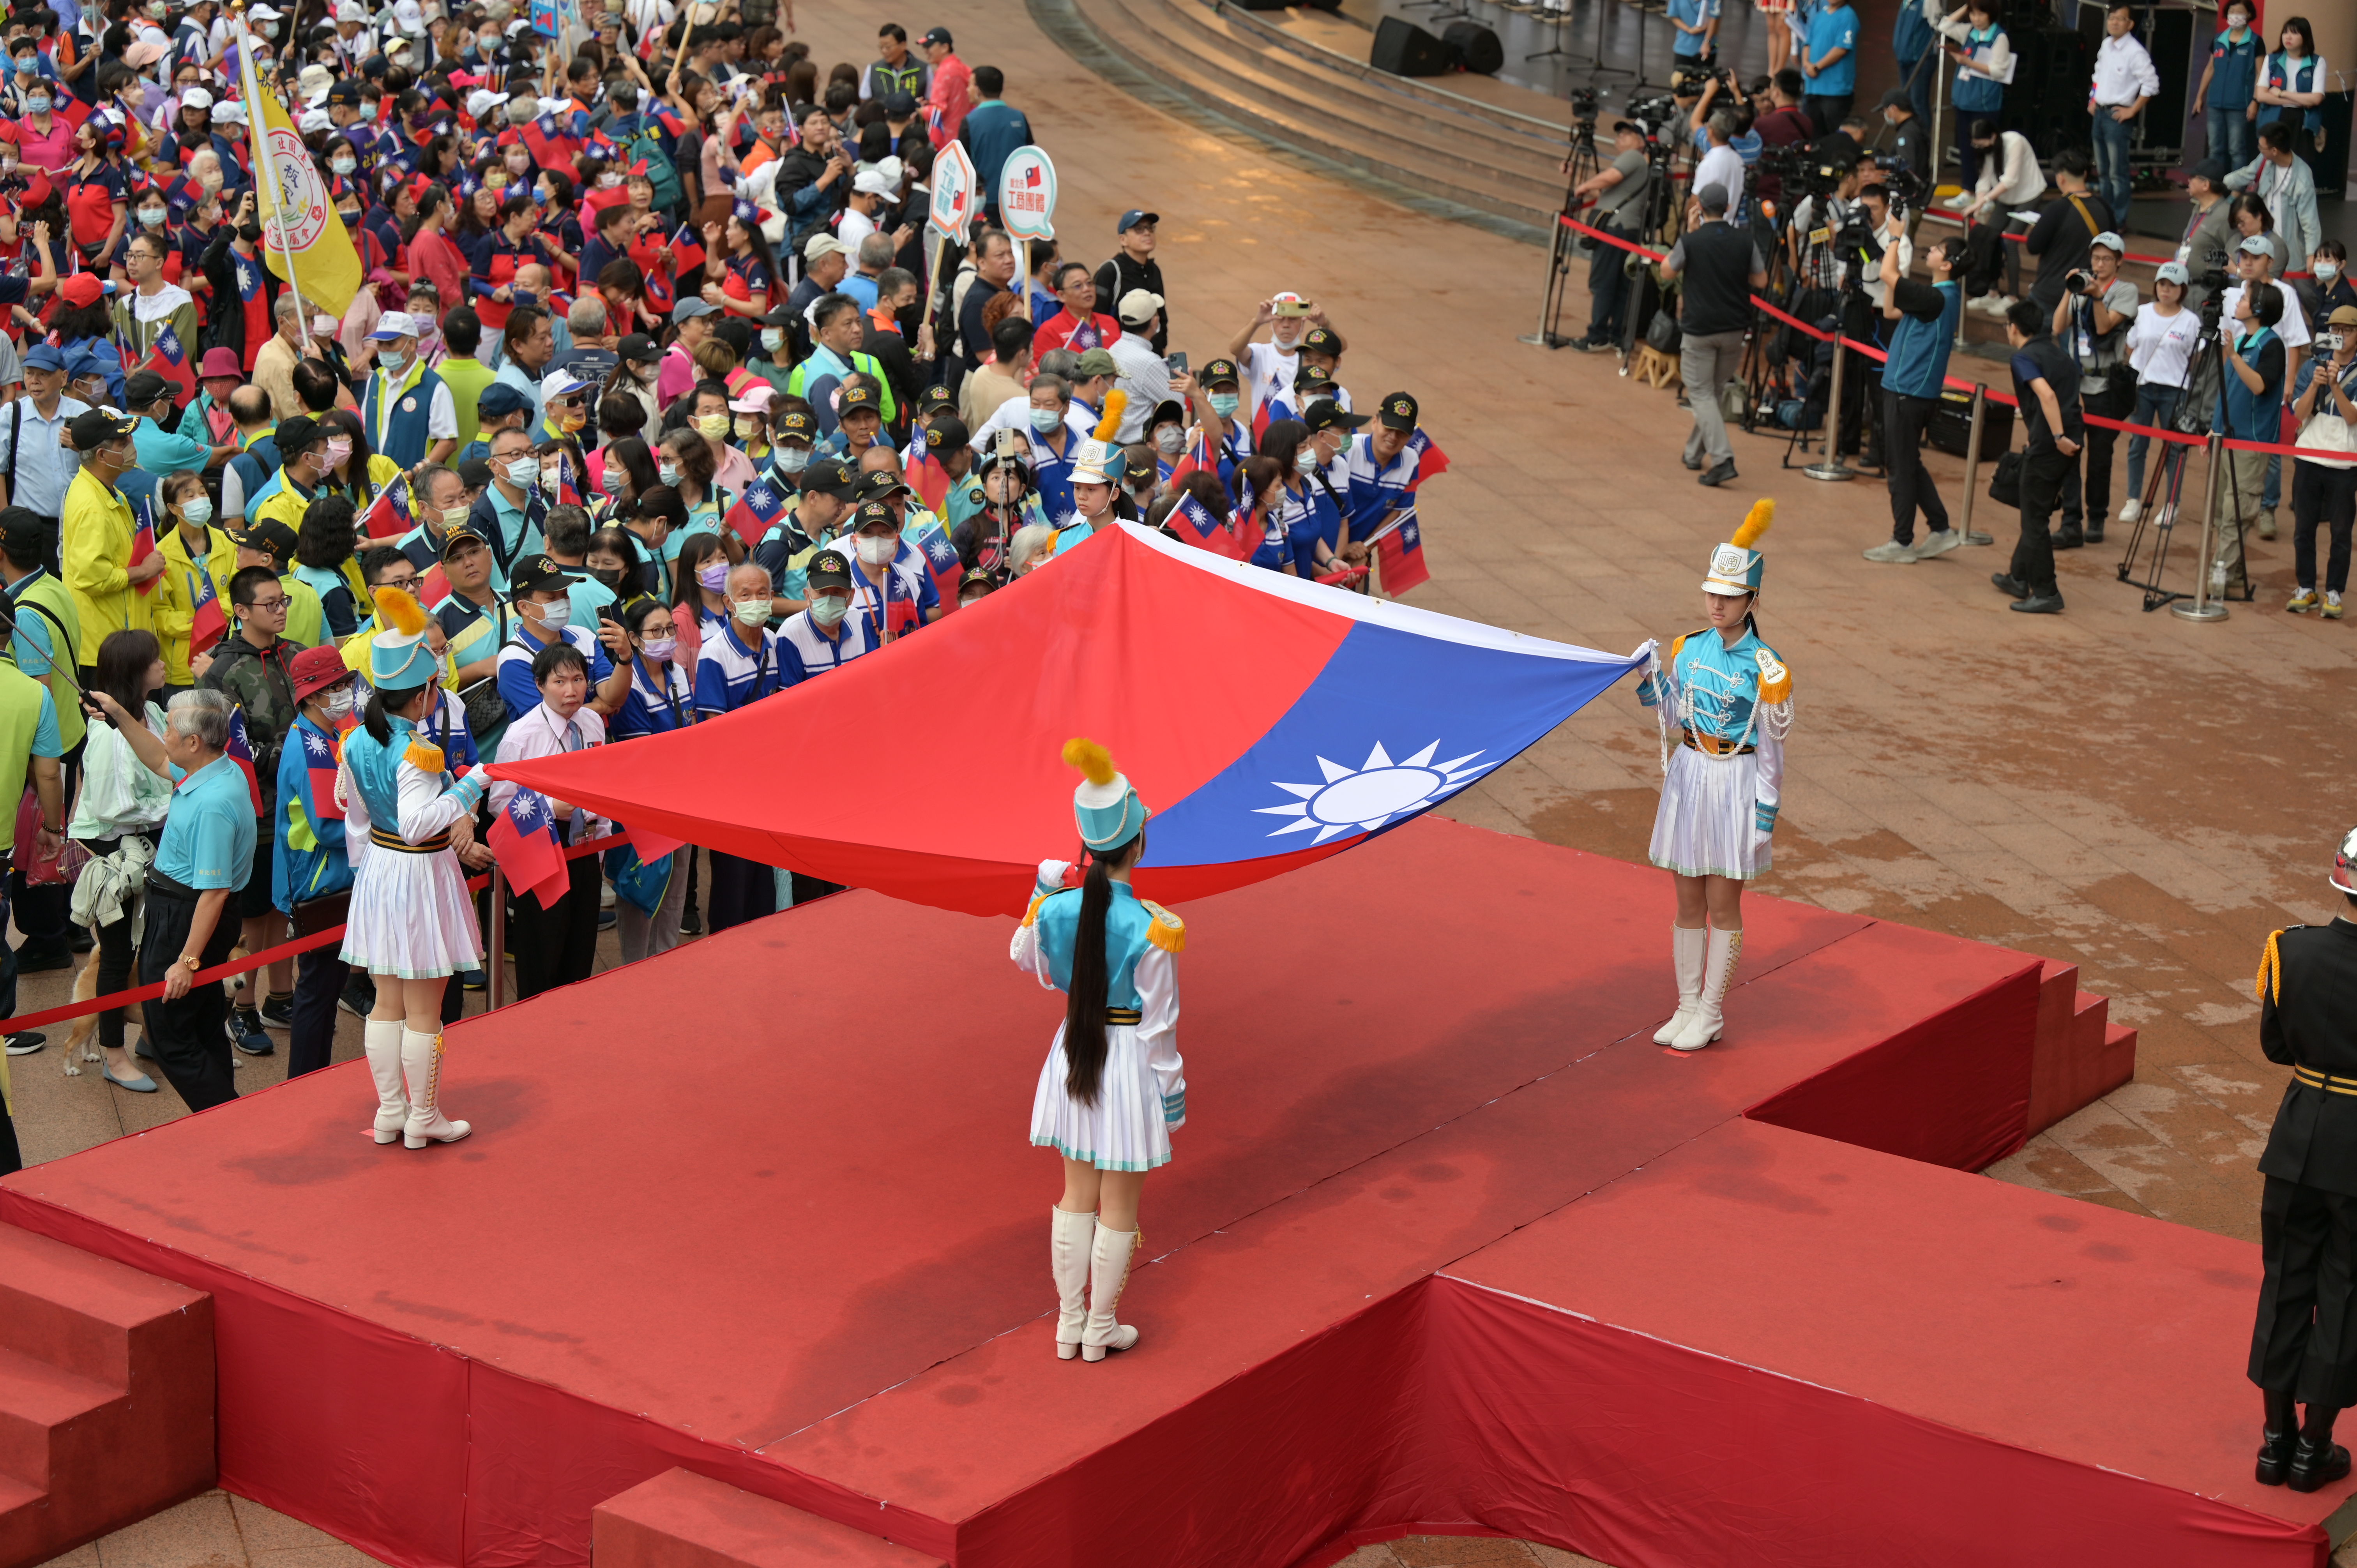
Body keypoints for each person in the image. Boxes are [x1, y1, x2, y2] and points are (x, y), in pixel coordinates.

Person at [1011, 738, 1186, 1361]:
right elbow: (1160, 1028)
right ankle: (1100, 1327)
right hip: (1129, 1061)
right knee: (1118, 1204)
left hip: (1074, 1052)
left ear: (1086, 847)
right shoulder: (1154, 927)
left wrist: (1040, 888)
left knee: (1075, 1193)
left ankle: (1069, 1325)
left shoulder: (1056, 909)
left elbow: (1021, 955)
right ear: (1138, 844)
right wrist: (1172, 1099)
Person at [1633, 503, 1791, 1052]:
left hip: (1734, 782)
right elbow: (1675, 717)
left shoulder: (1768, 668)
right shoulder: (1689, 647)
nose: (1717, 604)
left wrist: (1765, 816)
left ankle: (1711, 1011)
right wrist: (1649, 679)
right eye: (1712, 594)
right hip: (1690, 773)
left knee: (1723, 904)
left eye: (1729, 596)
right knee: (1686, 902)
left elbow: (1772, 753)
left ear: (1752, 600)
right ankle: (1684, 1007)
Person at [338, 586, 492, 1148]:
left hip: (381, 869)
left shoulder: (355, 740)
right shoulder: (416, 752)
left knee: (387, 1001)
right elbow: (417, 823)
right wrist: (473, 785)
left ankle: (391, 1114)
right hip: (418, 871)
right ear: (425, 691)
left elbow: (351, 811)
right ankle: (422, 1118)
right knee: (424, 1006)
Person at [2247, 828, 2357, 1494]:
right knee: (2344, 1291)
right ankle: (2312, 1450)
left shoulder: (2289, 948)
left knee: (2284, 1276)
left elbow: (2273, 1046)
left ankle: (2272, 1442)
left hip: (2296, 1135)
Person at [102, 689, 247, 1112]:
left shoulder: (213, 804)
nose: (161, 733)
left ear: (194, 743)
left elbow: (215, 891)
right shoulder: (215, 768)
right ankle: (231, 1117)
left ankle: (230, 1121)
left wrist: (186, 961)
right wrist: (116, 713)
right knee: (203, 1027)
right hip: (186, 911)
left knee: (170, 1038)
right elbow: (157, 758)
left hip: (185, 919)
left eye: (168, 727)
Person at [199, 562, 302, 1050]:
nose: (281, 610)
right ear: (241, 611)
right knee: (252, 916)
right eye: (270, 604)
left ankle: (282, 996)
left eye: (284, 601)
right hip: (256, 809)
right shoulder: (223, 672)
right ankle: (243, 1008)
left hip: (301, 807)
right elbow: (228, 747)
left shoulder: (297, 655)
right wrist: (290, 754)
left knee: (284, 907)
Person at [64, 627, 167, 1091]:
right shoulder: (107, 732)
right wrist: (181, 798)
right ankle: (112, 1053)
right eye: (155, 660)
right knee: (116, 952)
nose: (165, 666)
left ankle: (150, 1034)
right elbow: (109, 803)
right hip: (114, 852)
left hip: (150, 845)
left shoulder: (155, 713)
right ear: (134, 669)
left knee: (153, 946)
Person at [491, 641, 608, 998]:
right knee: (543, 952)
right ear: (540, 685)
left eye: (578, 679)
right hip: (541, 845)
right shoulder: (522, 736)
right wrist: (547, 808)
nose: (571, 691)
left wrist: (601, 844)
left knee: (581, 950)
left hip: (585, 845)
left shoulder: (592, 723)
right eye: (559, 682)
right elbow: (499, 803)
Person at [271, 644, 358, 1079]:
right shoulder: (314, 747)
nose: (343, 693)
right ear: (309, 697)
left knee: (322, 990)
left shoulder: (324, 736)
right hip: (321, 881)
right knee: (318, 990)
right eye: (333, 687)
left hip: (326, 877)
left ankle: (311, 1079)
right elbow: (327, 827)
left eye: (345, 683)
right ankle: (304, 1083)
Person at [694, 560, 785, 932]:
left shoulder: (776, 644)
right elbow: (714, 730)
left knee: (764, 880)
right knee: (733, 880)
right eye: (744, 595)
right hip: (732, 787)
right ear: (729, 603)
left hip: (770, 783)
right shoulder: (714, 654)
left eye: (761, 593)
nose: (755, 601)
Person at [1866, 235, 1964, 563]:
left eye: (1937, 250)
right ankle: (1940, 530)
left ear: (1947, 264)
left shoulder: (1938, 297)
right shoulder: (1934, 296)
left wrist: (1895, 235)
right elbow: (1892, 308)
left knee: (1899, 466)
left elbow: (1886, 275)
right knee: (1908, 462)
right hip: (1907, 388)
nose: (1930, 251)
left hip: (1910, 391)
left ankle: (1903, 542)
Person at [1658, 184, 1763, 491]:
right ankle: (1694, 453)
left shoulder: (1692, 242)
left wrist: (1689, 235)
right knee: (1714, 392)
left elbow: (1666, 272)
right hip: (1734, 328)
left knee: (1701, 394)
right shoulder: (1745, 241)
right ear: (1729, 207)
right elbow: (1761, 279)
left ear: (1700, 207)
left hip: (1700, 328)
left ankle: (1723, 459)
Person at [1992, 300, 2081, 616]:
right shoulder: (2060, 353)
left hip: (2051, 446)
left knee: (2034, 521)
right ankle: (2018, 576)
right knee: (2036, 511)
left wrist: (2056, 437)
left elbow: (2046, 394)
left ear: (2014, 328)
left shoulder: (2023, 358)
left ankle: (2046, 591)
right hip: (2071, 442)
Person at [63, 408, 164, 677]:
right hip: (106, 649)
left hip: (118, 641)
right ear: (102, 455)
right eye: (124, 444)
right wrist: (144, 571)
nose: (132, 447)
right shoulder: (92, 506)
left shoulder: (109, 491)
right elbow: (92, 577)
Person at [2055, 233, 2139, 547]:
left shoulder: (2126, 291)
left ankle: (2098, 516)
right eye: (2096, 258)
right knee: (2071, 450)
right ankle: (2071, 516)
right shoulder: (2081, 286)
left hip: (2104, 385)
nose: (2099, 265)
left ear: (2119, 261)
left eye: (2106, 259)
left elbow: (2104, 327)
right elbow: (2057, 327)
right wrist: (2070, 291)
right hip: (2076, 382)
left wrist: (2097, 297)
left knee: (2101, 456)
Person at [2211, 283, 2287, 600]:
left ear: (2257, 309)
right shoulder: (2241, 340)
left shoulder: (2272, 346)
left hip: (2251, 443)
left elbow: (2258, 386)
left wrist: (2232, 356)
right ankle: (2234, 577)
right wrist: (2214, 430)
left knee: (2236, 513)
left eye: (2244, 298)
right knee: (2220, 512)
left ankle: (2218, 581)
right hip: (2226, 439)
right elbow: (2227, 392)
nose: (2239, 302)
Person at [2285, 305, 2357, 620]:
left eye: (2348, 330)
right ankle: (2306, 587)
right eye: (2336, 330)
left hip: (2345, 461)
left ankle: (2334, 592)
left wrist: (2336, 385)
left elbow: (2352, 416)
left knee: (2341, 532)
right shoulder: (2311, 367)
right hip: (2309, 455)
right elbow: (2299, 415)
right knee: (2304, 527)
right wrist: (2316, 383)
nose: (2340, 335)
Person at [2121, 263, 2202, 526]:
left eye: (2173, 285)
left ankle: (2171, 504)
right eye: (2163, 284)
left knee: (2175, 449)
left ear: (2183, 289)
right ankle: (2134, 500)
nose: (2167, 290)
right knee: (2138, 445)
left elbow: (2195, 356)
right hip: (2143, 387)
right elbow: (2131, 347)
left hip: (2175, 390)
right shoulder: (2143, 312)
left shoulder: (2191, 321)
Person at [0, 343, 91, 524]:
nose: (34, 381)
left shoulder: (83, 414)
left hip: (78, 522)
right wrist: (5, 521)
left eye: (44, 374)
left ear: (64, 377)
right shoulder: (11, 415)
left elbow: (104, 462)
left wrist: (82, 448)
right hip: (27, 526)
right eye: (29, 373)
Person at [2087, 4, 2158, 228]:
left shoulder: (2135, 52)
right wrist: (2093, 97)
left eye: (2120, 19)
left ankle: (2118, 221)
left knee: (2118, 173)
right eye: (2112, 18)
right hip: (2099, 112)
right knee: (2103, 171)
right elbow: (2098, 74)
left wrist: (2133, 110)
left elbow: (2152, 84)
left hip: (2118, 117)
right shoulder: (2107, 45)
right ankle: (2104, 216)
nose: (2114, 22)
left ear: (2130, 24)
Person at [2023, 149, 2111, 319]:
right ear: (2085, 174)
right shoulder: (2105, 208)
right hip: (2086, 290)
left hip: (2049, 292)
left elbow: (2033, 246)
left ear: (2060, 178)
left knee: (2035, 342)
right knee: (2073, 346)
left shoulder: (2056, 209)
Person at [2227, 122, 2323, 278]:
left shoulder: (2302, 178)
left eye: (2262, 148)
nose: (2259, 150)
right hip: (2263, 241)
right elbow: (2246, 174)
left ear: (2274, 151)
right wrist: (2219, 183)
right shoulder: (2265, 161)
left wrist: (2311, 255)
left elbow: (2310, 221)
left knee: (2294, 292)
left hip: (2287, 249)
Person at [1937, 4, 2010, 191]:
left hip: (1984, 104)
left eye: (1981, 14)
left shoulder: (1999, 37)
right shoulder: (1969, 31)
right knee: (1966, 148)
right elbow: (1944, 26)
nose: (1976, 19)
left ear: (1991, 14)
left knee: (1986, 151)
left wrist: (1968, 63)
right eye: (1973, 14)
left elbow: (1999, 70)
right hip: (1964, 101)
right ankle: (1968, 189)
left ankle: (1987, 192)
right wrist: (1967, 6)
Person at [2194, 0, 2263, 173]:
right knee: (2215, 149)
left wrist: (2255, 101)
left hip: (2240, 105)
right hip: (2216, 103)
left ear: (2248, 15)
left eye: (2239, 12)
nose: (2234, 15)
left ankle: (2236, 191)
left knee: (2236, 150)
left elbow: (2261, 74)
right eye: (2231, 11)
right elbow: (2210, 68)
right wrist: (2199, 97)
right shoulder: (2218, 40)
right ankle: (2215, 187)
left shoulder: (2255, 42)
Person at [958, 66, 1031, 224]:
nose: (968, 89)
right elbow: (1030, 157)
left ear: (978, 90)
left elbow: (962, 164)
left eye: (970, 85)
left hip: (985, 202)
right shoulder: (1019, 118)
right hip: (1018, 201)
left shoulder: (970, 122)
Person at [1096, 211, 1166, 356]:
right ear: (1123, 240)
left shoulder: (1154, 270)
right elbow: (1098, 317)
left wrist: (1163, 352)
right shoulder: (1111, 271)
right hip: (1122, 356)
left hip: (1154, 355)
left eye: (1150, 228)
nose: (1147, 233)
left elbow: (1161, 316)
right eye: (1139, 229)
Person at [2255, 16, 2328, 147]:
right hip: (2274, 116)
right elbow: (2261, 95)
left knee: (2299, 163)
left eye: (2294, 33)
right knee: (2271, 161)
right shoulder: (2272, 60)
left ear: (2306, 37)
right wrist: (2299, 101)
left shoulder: (2317, 62)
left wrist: (2282, 93)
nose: (2288, 37)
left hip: (2303, 120)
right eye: (2286, 32)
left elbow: (2317, 99)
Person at [1799, 0, 1857, 134]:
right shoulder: (1820, 15)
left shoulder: (1848, 16)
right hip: (1813, 88)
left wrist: (1817, 67)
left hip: (1835, 91)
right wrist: (1806, 64)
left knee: (1834, 134)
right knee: (1813, 134)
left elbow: (1842, 48)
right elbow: (1808, 43)